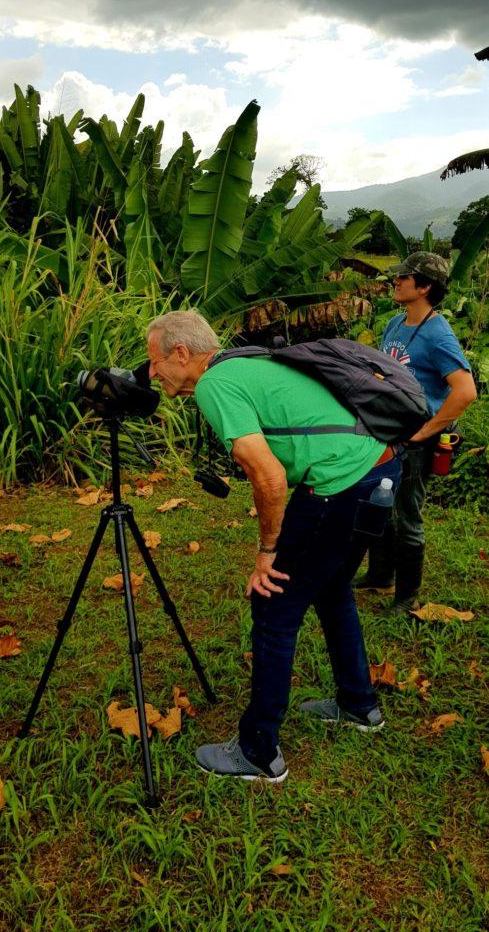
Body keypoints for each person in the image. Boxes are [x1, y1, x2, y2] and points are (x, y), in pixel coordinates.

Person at [147, 308, 401, 783]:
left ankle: (258, 752)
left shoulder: (214, 384)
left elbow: (268, 475)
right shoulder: (248, 361)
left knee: (273, 607)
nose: (152, 373)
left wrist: (268, 551)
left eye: (154, 362)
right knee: (331, 590)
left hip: (338, 487)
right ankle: (358, 704)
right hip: (381, 470)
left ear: (181, 353)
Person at [355, 252, 476, 612]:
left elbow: (465, 390)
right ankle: (380, 575)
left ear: (424, 287)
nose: (397, 281)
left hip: (415, 441)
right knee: (379, 502)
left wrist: (427, 431)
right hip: (388, 432)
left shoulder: (438, 334)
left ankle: (406, 596)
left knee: (407, 513)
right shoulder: (395, 324)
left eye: (404, 277)